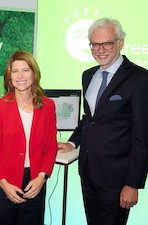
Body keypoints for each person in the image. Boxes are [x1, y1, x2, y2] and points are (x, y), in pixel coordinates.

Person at [58, 17, 148, 225]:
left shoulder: (140, 79)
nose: (100, 50)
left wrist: (132, 184)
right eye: (95, 44)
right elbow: (90, 119)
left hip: (117, 179)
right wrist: (72, 142)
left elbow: (142, 137)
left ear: (120, 43)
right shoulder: (88, 75)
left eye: (107, 43)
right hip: (88, 171)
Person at [0, 50, 58, 225]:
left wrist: (42, 177)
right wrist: (3, 184)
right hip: (4, 181)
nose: (20, 76)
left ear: (34, 73)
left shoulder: (48, 106)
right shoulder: (0, 106)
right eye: (15, 71)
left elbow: (51, 146)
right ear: (9, 77)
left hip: (34, 181)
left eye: (25, 70)